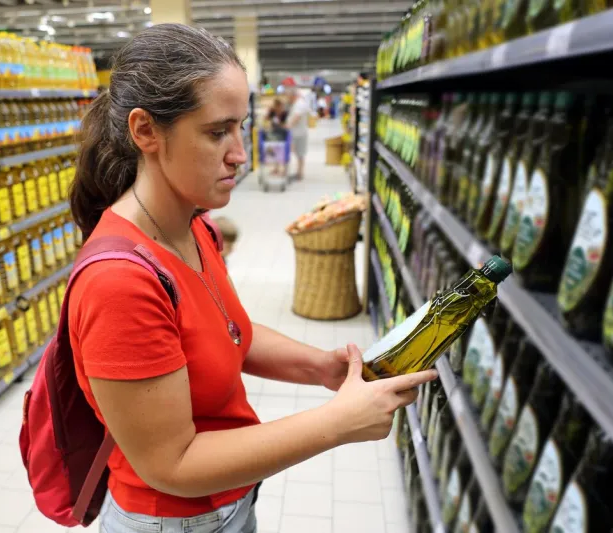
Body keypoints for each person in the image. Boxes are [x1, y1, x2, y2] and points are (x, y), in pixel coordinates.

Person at [69, 23, 438, 533]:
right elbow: (172, 465)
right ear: (146, 131)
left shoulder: (195, 227)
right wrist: (338, 424)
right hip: (174, 522)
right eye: (217, 131)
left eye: (241, 126)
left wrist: (320, 368)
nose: (240, 153)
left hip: (226, 505)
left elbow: (226, 330)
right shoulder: (119, 283)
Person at [285, 87, 311, 181]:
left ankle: (299, 174)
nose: (288, 98)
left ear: (293, 95)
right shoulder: (296, 103)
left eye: (288, 96)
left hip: (299, 134)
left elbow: (297, 116)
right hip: (296, 133)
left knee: (300, 154)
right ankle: (298, 173)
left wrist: (288, 126)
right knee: (298, 154)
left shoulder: (299, 103)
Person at [266, 98, 288, 175]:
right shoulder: (272, 112)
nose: (278, 108)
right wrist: (268, 112)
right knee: (276, 151)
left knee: (284, 152)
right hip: (274, 134)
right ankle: (276, 169)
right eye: (276, 106)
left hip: (283, 134)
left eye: (279, 106)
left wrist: (279, 124)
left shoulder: (285, 113)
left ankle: (285, 170)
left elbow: (286, 125)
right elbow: (266, 119)